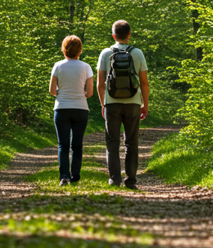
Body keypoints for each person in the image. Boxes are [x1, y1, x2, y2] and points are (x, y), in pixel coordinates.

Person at [96, 19, 149, 190]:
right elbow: (144, 83)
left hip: (112, 103)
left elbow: (100, 83)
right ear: (129, 35)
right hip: (133, 103)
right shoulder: (138, 53)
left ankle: (115, 179)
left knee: (112, 142)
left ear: (113, 35)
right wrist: (144, 104)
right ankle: (131, 179)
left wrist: (103, 103)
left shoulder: (105, 53)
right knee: (131, 142)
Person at [49, 35, 94, 186]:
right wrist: (81, 93)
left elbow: (52, 90)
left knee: (63, 145)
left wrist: (62, 91)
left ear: (64, 49)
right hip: (80, 108)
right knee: (77, 145)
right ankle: (75, 176)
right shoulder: (86, 67)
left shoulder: (58, 66)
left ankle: (64, 177)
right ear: (80, 50)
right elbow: (90, 93)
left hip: (61, 108)